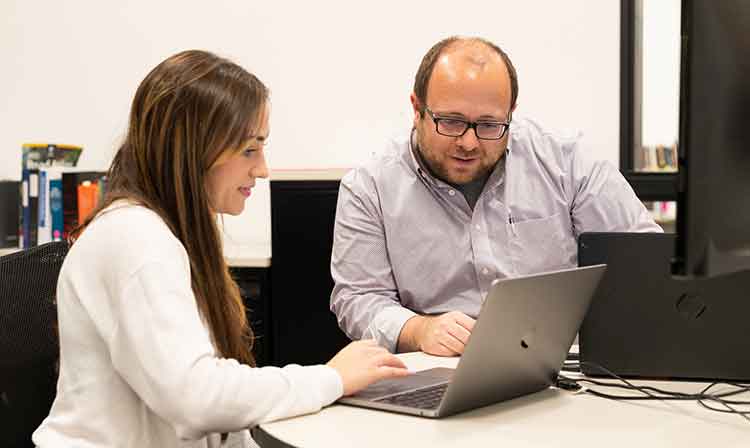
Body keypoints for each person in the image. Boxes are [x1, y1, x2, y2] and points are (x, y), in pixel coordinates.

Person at [33, 50, 409, 447]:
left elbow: (213, 414)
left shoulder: (168, 233)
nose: (262, 169)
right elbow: (197, 398)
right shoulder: (135, 239)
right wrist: (331, 378)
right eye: (250, 149)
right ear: (194, 150)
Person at [330, 36, 662, 358]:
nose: (469, 143)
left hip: (560, 367)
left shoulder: (566, 162)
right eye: (451, 122)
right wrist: (419, 330)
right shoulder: (369, 186)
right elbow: (357, 297)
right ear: (417, 108)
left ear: (511, 113)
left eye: (490, 125)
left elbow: (641, 254)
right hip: (439, 368)